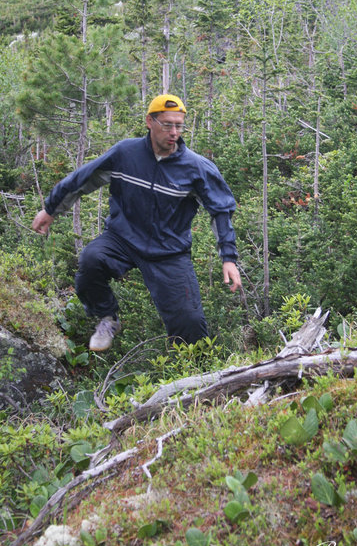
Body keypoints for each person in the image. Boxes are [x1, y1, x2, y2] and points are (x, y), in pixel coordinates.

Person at [32, 93, 242, 352]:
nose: (174, 131)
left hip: (169, 251)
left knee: (190, 322)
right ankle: (108, 318)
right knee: (90, 261)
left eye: (179, 125)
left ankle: (194, 377)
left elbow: (221, 210)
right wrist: (51, 209)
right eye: (167, 124)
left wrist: (228, 258)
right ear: (149, 122)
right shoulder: (125, 154)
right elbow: (84, 178)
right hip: (122, 238)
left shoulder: (196, 168)